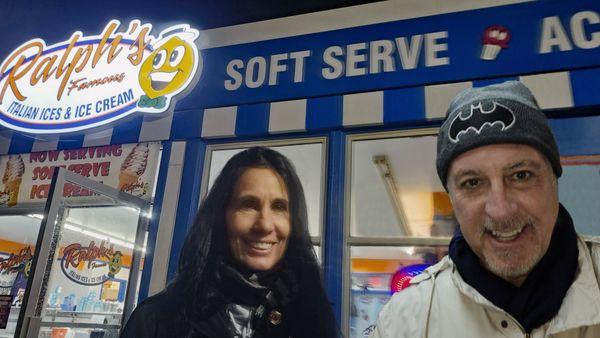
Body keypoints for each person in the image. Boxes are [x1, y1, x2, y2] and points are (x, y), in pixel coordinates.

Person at [371, 81, 600, 337]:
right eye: (472, 183)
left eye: (521, 175)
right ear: (453, 199)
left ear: (554, 179)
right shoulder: (403, 323)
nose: (501, 210)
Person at [122, 147, 338, 337]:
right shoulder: (156, 320)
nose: (264, 225)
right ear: (221, 215)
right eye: (249, 204)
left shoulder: (313, 317)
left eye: (279, 206)